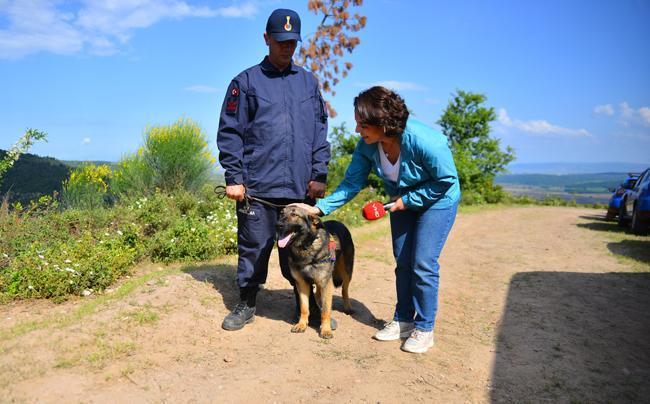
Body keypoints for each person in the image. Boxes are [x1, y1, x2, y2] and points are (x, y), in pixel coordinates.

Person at [292, 86, 460, 353]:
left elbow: (446, 181)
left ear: (382, 122)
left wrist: (407, 200)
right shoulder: (368, 146)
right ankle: (403, 319)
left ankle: (425, 328)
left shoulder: (426, 140)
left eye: (362, 125)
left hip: (437, 201)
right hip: (401, 202)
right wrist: (318, 209)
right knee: (403, 262)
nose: (358, 130)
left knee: (423, 263)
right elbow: (351, 184)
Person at [217, 8, 331, 331]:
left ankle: (304, 307)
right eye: (280, 41)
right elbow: (230, 132)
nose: (287, 47)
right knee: (253, 249)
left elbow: (320, 131)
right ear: (266, 39)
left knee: (301, 251)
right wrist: (234, 178)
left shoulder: (308, 84)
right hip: (257, 190)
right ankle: (247, 303)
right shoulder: (246, 82)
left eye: (292, 42)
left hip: (298, 190)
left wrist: (318, 174)